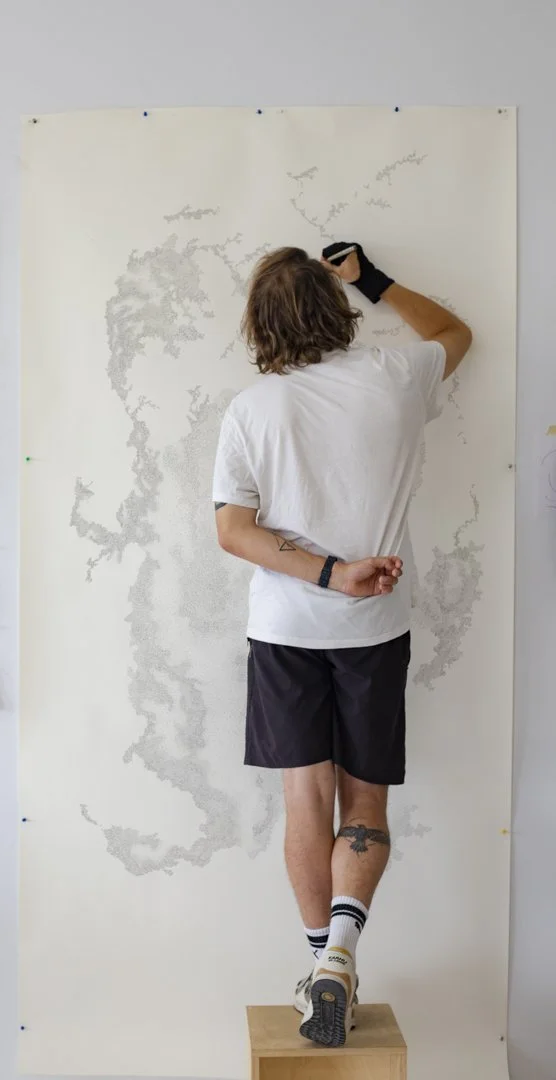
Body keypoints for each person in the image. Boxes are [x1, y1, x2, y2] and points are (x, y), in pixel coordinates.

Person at [212, 244, 472, 1048]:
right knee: (365, 803)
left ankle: (319, 963)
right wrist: (374, 278)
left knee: (305, 799)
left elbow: (232, 531)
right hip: (374, 631)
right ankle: (343, 956)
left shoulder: (252, 409)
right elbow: (456, 331)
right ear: (338, 311)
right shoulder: (397, 380)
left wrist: (327, 571)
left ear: (259, 323)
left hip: (287, 630)